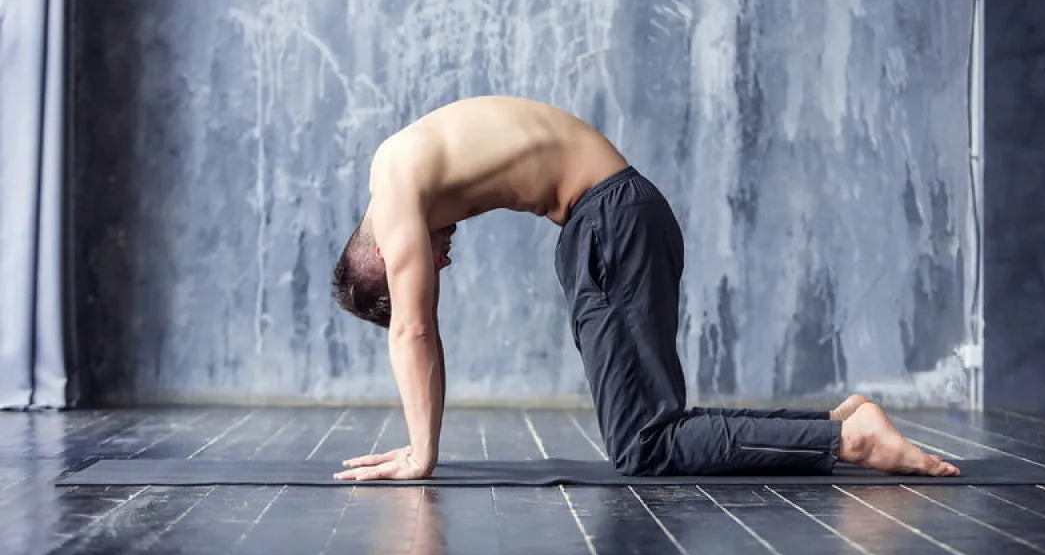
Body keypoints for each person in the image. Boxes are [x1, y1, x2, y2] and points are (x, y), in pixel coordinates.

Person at [329, 96, 960, 482]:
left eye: (423, 265)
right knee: (649, 434)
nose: (441, 263)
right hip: (614, 217)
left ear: (383, 256)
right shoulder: (402, 160)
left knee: (643, 445)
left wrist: (421, 453)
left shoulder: (394, 193)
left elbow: (415, 328)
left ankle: (846, 441)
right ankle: (839, 424)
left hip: (610, 222)